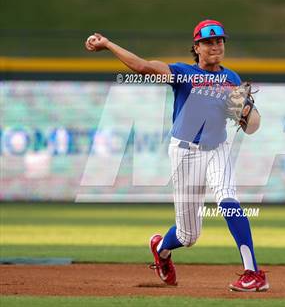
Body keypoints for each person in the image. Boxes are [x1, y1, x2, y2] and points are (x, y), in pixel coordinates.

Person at [85, 19, 268, 292]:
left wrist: (248, 115)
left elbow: (251, 125)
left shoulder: (232, 79)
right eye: (208, 41)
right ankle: (161, 249)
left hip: (217, 148)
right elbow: (143, 66)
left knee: (227, 200)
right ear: (197, 47)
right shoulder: (182, 74)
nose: (215, 45)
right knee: (188, 235)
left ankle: (253, 273)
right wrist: (109, 44)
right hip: (185, 154)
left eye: (219, 40)